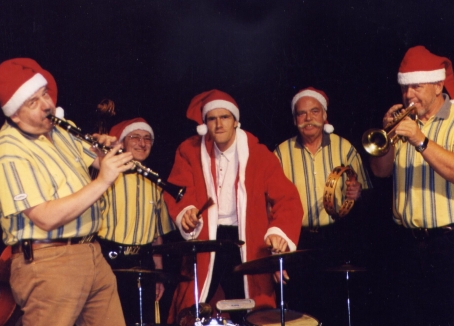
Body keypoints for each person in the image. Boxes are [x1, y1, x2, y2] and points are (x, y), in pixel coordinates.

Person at [0, 58, 133, 326]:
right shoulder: (7, 149)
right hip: (48, 262)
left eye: (44, 95)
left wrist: (106, 152)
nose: (47, 105)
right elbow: (45, 217)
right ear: (14, 114)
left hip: (91, 254)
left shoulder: (61, 131)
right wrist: (102, 181)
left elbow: (97, 161)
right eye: (33, 102)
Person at [163, 89, 304, 324]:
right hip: (206, 239)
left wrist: (279, 233)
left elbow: (288, 198)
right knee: (190, 309)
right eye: (212, 118)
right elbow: (179, 190)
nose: (218, 124)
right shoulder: (189, 151)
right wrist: (186, 212)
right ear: (205, 123)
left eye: (225, 117)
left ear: (236, 121)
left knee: (256, 312)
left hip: (247, 241)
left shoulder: (260, 155)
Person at [370, 45, 454, 326]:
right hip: (406, 243)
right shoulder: (405, 122)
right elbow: (380, 173)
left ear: (439, 83)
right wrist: (388, 135)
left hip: (447, 244)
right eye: (405, 88)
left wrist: (420, 140)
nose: (408, 96)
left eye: (416, 87)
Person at [274, 87, 371, 324]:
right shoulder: (280, 153)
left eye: (314, 111)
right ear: (295, 119)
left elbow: (365, 191)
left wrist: (357, 194)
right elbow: (270, 205)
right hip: (298, 241)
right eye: (302, 113)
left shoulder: (344, 147)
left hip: (336, 240)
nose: (308, 118)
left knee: (337, 309)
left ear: (324, 116)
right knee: (301, 312)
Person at [98, 117, 177, 325]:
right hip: (109, 261)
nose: (142, 143)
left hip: (143, 262)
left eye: (147, 138)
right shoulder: (106, 176)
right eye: (135, 137)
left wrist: (158, 272)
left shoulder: (155, 182)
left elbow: (156, 232)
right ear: (122, 142)